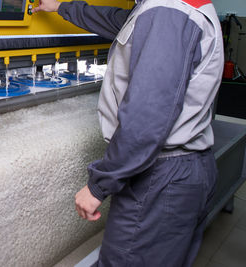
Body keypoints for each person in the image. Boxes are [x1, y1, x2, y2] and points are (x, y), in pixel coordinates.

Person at [34, 0, 224, 266]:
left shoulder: (167, 11)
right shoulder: (168, 8)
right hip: (183, 169)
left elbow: (147, 117)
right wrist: (63, 7)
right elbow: (120, 21)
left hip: (162, 178)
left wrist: (98, 185)